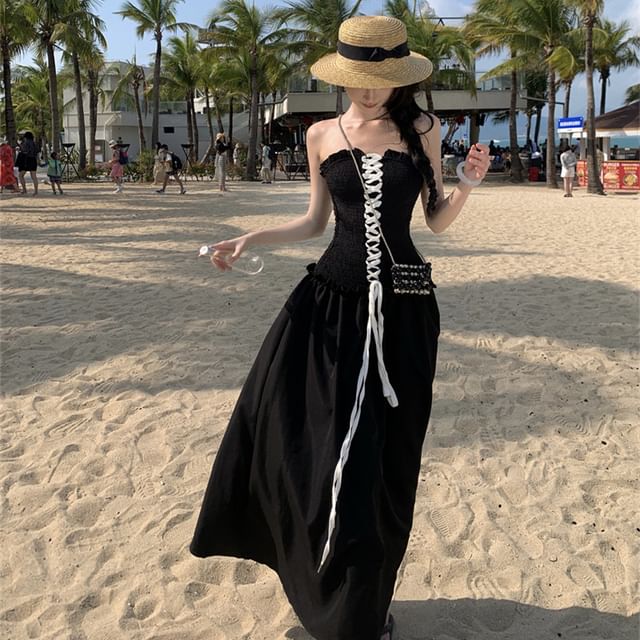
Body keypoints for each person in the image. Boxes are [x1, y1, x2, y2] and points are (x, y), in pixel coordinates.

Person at [189, 15, 490, 640]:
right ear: (342, 76)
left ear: (401, 77)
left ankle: (366, 605)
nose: (371, 91)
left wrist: (466, 184)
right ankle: (333, 596)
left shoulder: (423, 129)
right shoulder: (321, 134)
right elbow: (313, 222)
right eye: (360, 79)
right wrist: (248, 238)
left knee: (387, 461)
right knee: (313, 446)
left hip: (406, 312)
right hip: (329, 308)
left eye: (384, 78)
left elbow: (435, 220)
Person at [16, 131, 40, 196]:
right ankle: (36, 191)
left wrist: (20, 147)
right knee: (34, 176)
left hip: (26, 160)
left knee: (21, 175)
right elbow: (37, 151)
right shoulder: (34, 143)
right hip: (33, 159)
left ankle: (24, 190)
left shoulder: (26, 143)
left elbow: (24, 150)